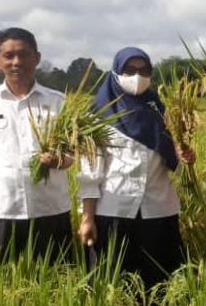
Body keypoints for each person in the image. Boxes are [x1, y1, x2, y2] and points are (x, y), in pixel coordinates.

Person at [77, 47, 195, 291]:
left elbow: (173, 158)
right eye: (129, 70)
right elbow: (90, 173)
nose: (137, 76)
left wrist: (185, 156)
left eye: (144, 71)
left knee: (161, 283)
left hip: (158, 211)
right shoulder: (98, 117)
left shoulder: (161, 112)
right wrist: (87, 218)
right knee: (112, 282)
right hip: (114, 212)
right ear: (116, 72)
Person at [0, 28, 73, 262]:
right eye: (8, 56)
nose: (16, 62)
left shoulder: (58, 102)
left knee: (55, 278)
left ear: (37, 58)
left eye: (23, 55)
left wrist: (58, 161)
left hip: (50, 209)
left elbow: (71, 155)